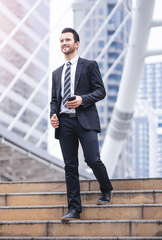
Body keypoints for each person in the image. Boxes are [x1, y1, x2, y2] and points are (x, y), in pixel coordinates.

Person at [50, 28, 113, 221]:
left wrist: (82, 99)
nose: (64, 43)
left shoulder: (89, 65)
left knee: (92, 159)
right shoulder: (56, 73)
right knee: (70, 166)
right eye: (61, 40)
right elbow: (54, 99)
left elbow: (100, 91)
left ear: (77, 43)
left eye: (67, 40)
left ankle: (106, 188)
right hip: (64, 122)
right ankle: (74, 209)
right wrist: (53, 115)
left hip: (85, 120)